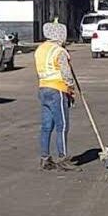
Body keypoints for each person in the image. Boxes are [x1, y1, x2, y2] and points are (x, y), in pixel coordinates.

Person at [34, 21, 77, 171]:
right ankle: (63, 158)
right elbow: (66, 73)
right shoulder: (59, 51)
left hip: (43, 88)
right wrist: (70, 88)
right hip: (57, 89)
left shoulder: (40, 49)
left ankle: (45, 158)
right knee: (62, 125)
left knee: (46, 126)